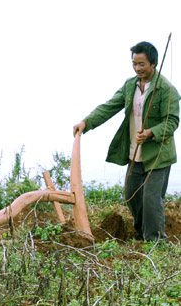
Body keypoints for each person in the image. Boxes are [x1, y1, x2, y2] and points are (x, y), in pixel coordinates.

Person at [73, 41, 180, 241]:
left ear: (153, 63)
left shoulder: (167, 89)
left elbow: (172, 121)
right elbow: (109, 106)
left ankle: (155, 241)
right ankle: (142, 233)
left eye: (142, 64)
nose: (137, 68)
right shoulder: (130, 85)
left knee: (151, 199)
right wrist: (87, 122)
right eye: (134, 63)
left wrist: (151, 132)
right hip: (134, 151)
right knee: (131, 194)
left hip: (157, 154)